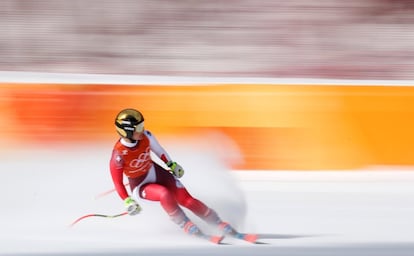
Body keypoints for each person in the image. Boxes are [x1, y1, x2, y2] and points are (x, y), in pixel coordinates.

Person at [109, 108, 253, 242]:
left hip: (155, 172)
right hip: (140, 185)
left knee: (187, 200)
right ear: (127, 131)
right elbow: (118, 183)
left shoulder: (146, 136)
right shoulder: (118, 155)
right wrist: (128, 201)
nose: (143, 129)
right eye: (139, 128)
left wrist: (172, 165)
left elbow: (159, 151)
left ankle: (217, 222)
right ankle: (183, 223)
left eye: (143, 125)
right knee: (164, 194)